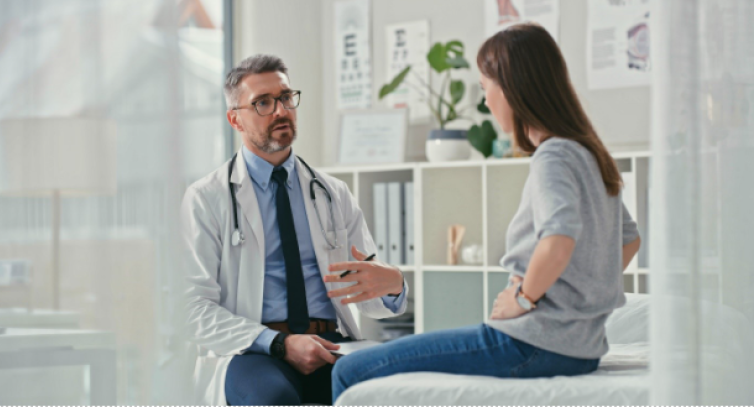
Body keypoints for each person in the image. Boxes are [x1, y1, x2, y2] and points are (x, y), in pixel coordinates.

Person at [331, 23, 642, 402]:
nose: (485, 102)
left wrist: (524, 299)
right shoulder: (589, 154)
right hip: (582, 349)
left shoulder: (554, 157)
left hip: (534, 343)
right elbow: (629, 239)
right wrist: (581, 297)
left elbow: (558, 241)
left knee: (349, 370)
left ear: (511, 89)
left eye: (485, 88)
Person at [181, 54, 409, 406]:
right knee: (274, 398)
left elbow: (371, 300)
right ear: (234, 119)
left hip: (333, 343)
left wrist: (394, 285)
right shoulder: (206, 198)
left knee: (390, 392)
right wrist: (278, 343)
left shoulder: (333, 193)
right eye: (263, 103)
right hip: (252, 349)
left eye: (286, 98)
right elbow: (193, 308)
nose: (280, 110)